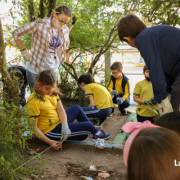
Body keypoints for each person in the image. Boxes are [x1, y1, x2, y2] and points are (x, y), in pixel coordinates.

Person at [26, 70, 110, 150]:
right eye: (47, 88)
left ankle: (95, 133)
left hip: (58, 124)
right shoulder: (34, 101)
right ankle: (95, 132)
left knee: (76, 108)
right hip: (50, 132)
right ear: (38, 85)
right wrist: (50, 142)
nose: (50, 91)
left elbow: (61, 111)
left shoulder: (52, 92)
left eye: (52, 87)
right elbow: (33, 128)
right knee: (88, 126)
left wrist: (65, 126)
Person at [117, 13, 180, 115]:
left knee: (174, 116)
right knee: (173, 109)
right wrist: (167, 91)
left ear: (127, 38)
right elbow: (167, 68)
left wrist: (162, 100)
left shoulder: (142, 38)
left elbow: (154, 68)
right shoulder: (153, 34)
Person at [12, 5, 77, 90]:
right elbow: (16, 33)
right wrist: (25, 53)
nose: (62, 25)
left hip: (53, 70)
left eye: (65, 23)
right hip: (36, 70)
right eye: (61, 21)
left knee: (52, 97)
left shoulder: (65, 29)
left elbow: (64, 41)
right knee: (36, 99)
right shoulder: (39, 24)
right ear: (54, 14)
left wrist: (71, 25)